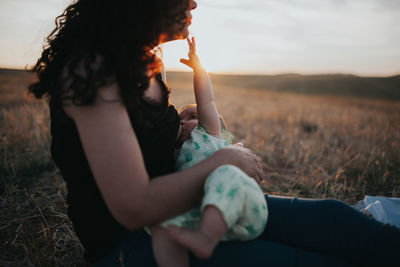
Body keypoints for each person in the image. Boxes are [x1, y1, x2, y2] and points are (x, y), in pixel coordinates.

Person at [28, 0, 400, 266]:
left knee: (334, 221)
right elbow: (133, 207)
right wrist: (225, 159)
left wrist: (175, 126)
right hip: (139, 242)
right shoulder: (91, 71)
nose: (194, 4)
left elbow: (142, 139)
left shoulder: (144, 59)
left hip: (191, 206)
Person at [149, 37, 268, 267]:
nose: (184, 121)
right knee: (163, 223)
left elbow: (206, 100)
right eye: (181, 118)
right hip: (212, 217)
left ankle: (204, 239)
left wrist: (198, 70)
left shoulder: (208, 134)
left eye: (193, 117)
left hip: (243, 208)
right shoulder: (174, 154)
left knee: (226, 174)